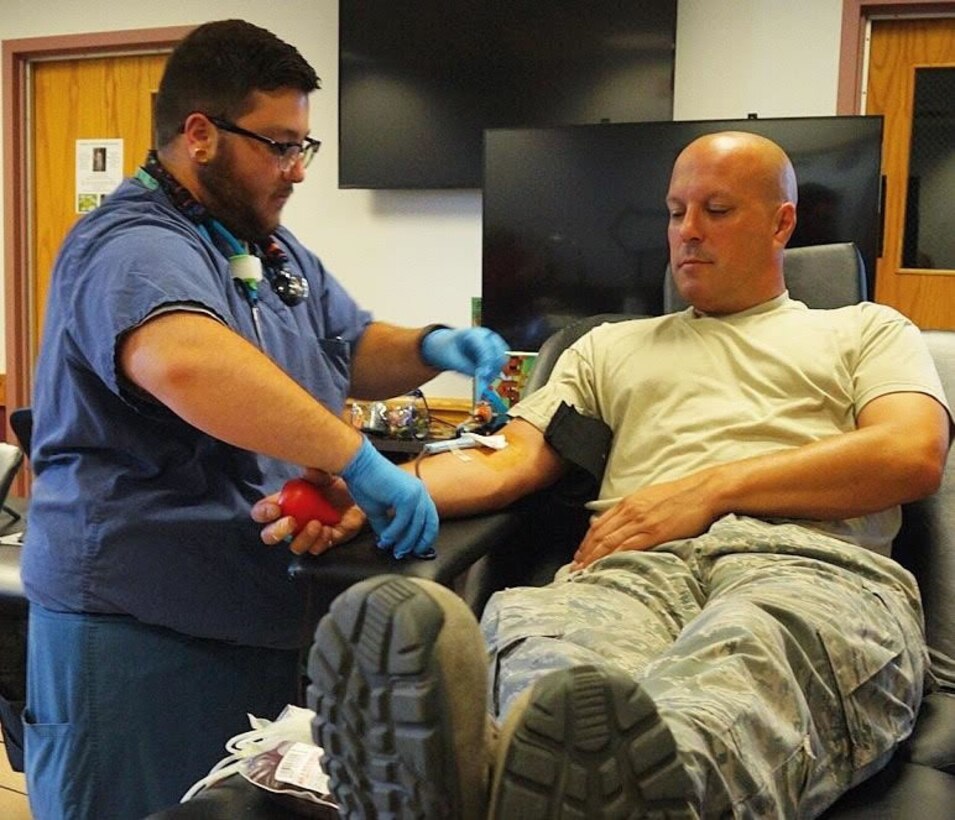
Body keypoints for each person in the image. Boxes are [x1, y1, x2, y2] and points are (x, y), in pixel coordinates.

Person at [279, 131, 953, 818]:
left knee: (742, 667)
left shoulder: (865, 331)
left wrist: (706, 489)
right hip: (628, 569)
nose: (686, 232)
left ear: (782, 222)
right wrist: (373, 488)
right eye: (673, 211)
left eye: (715, 210)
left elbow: (908, 453)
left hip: (806, 569)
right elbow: (510, 459)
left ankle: (563, 791)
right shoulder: (606, 348)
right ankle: (509, 777)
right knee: (561, 683)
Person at [20, 19, 507, 820]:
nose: (297, 170)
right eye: (279, 146)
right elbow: (186, 360)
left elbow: (345, 342)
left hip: (250, 614)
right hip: (138, 631)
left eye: (303, 148)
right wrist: (358, 459)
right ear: (201, 135)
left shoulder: (266, 248)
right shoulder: (130, 242)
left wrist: (434, 345)